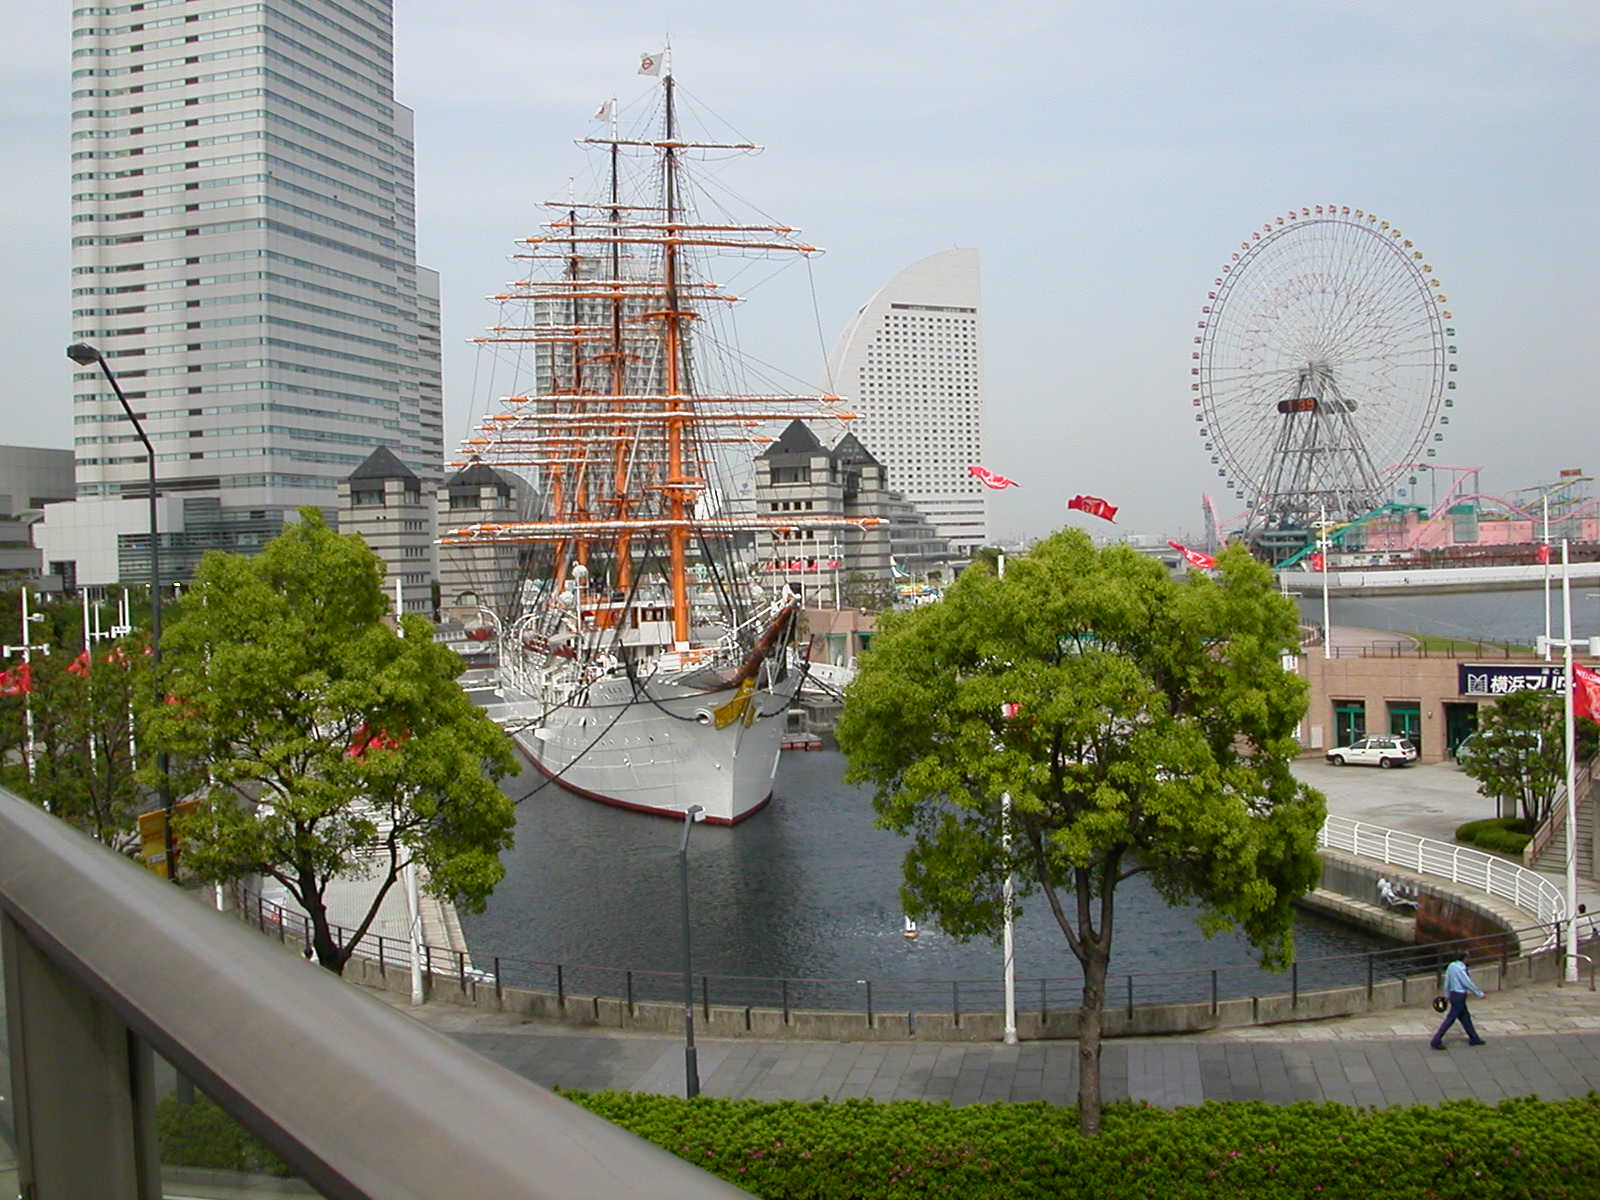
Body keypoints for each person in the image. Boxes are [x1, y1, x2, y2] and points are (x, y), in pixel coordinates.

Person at [1430, 950, 1486, 1049]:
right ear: (1464, 958)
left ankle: (1474, 1037)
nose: (1469, 959)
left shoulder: (1451, 966)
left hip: (1453, 994)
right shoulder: (1461, 969)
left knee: (1465, 1017)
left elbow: (1447, 980)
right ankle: (1436, 1039)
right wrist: (1479, 993)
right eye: (1468, 957)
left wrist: (1446, 994)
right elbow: (1467, 982)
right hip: (1460, 995)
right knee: (1451, 1018)